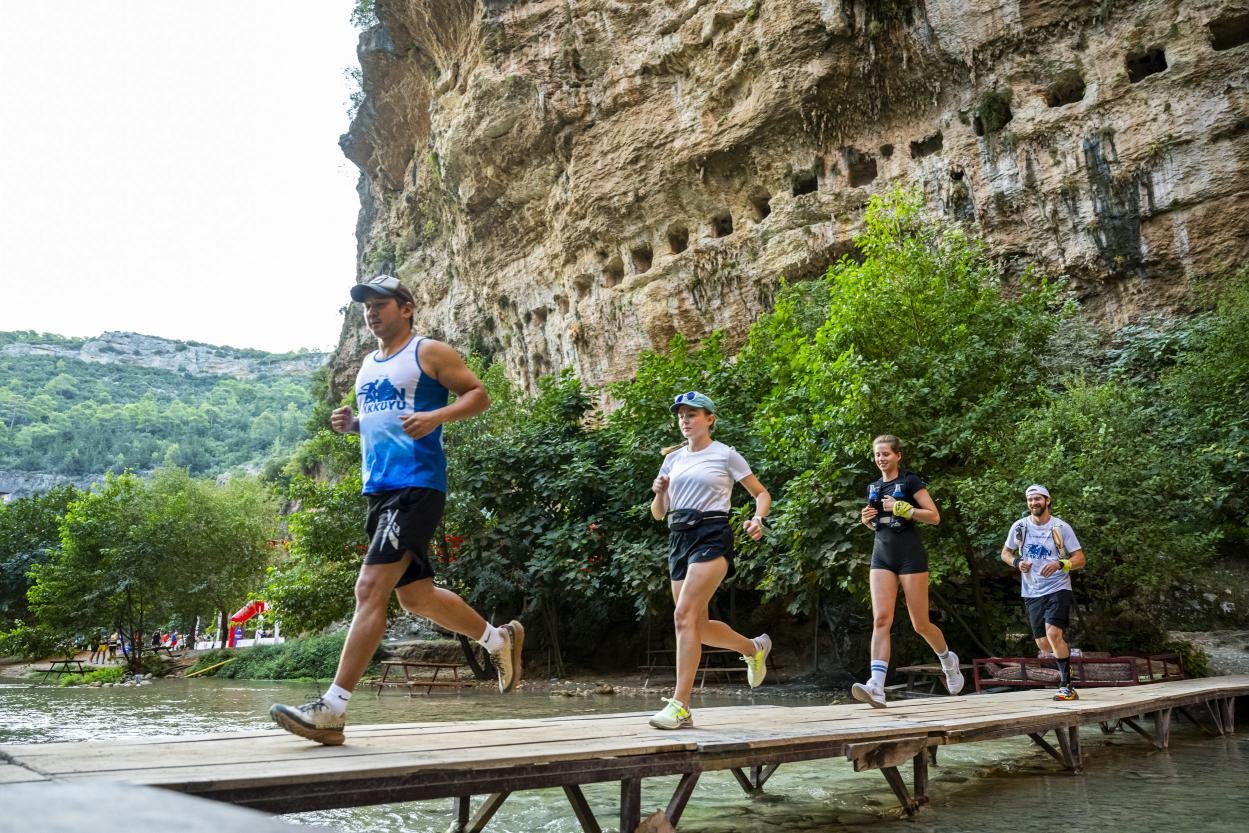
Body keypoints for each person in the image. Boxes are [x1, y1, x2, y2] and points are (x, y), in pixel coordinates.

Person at [270, 274, 524, 746]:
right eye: (366, 306)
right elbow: (383, 419)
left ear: (405, 308)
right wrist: (353, 425)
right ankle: (498, 639)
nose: (371, 312)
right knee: (416, 598)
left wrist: (436, 416)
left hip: (416, 486)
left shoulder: (429, 352)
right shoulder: (367, 365)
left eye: (380, 304)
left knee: (370, 588)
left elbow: (478, 394)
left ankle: (333, 708)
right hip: (380, 490)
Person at [647, 391, 772, 730]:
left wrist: (757, 520)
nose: (684, 420)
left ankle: (680, 705)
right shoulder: (672, 460)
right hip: (678, 538)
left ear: (709, 419)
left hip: (712, 534)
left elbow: (761, 493)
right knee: (695, 626)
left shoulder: (726, 455)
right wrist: (659, 492)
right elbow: (659, 515)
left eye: (692, 414)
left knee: (682, 615)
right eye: (681, 415)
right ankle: (753, 648)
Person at [853, 434, 963, 707]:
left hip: (910, 557)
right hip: (882, 556)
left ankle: (948, 660)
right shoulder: (874, 487)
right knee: (881, 619)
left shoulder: (910, 481)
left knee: (920, 624)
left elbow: (934, 517)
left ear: (897, 456)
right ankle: (876, 685)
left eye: (886, 454)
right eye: (877, 455)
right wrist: (868, 521)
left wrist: (905, 508)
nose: (881, 459)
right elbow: (881, 523)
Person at [1000, 484, 1086, 701]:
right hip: (1031, 590)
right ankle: (1066, 654)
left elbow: (1080, 559)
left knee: (1053, 634)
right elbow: (1005, 553)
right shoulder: (1020, 527)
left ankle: (1067, 686)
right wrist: (1017, 562)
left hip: (1058, 586)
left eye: (1038, 499)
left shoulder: (1060, 527)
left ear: (1047, 501)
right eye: (1030, 500)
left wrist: (1061, 564)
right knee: (1043, 644)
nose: (1033, 503)